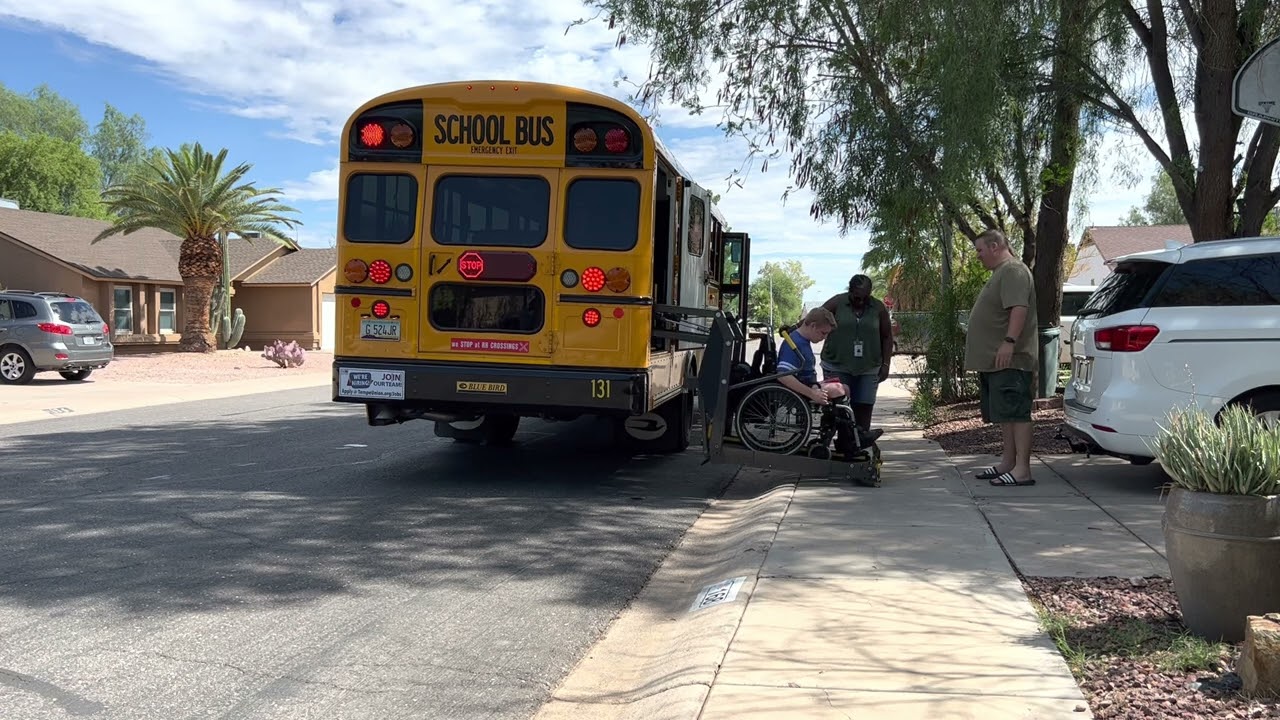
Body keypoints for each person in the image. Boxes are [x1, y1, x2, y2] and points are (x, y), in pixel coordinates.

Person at [963, 228, 1038, 487]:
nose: (978, 256)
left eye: (980, 250)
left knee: (1017, 413)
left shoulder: (1013, 271)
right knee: (1006, 414)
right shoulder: (1001, 273)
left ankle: (1022, 470)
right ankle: (1008, 463)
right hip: (998, 362)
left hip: (1012, 359)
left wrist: (1008, 342)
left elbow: (1019, 308)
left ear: (995, 246)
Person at [820, 274, 892, 442]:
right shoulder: (838, 302)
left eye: (865, 297)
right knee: (836, 408)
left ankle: (857, 444)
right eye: (857, 297)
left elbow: (887, 337)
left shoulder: (878, 308)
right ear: (850, 290)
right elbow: (814, 319)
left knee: (864, 407)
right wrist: (795, 329)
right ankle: (828, 442)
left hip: (868, 367)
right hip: (836, 365)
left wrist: (886, 364)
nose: (861, 301)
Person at [775, 307, 837, 406]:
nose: (825, 338)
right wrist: (812, 393)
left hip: (809, 385)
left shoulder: (802, 341)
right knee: (841, 389)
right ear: (813, 326)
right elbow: (783, 376)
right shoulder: (795, 342)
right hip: (802, 390)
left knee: (841, 387)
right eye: (823, 333)